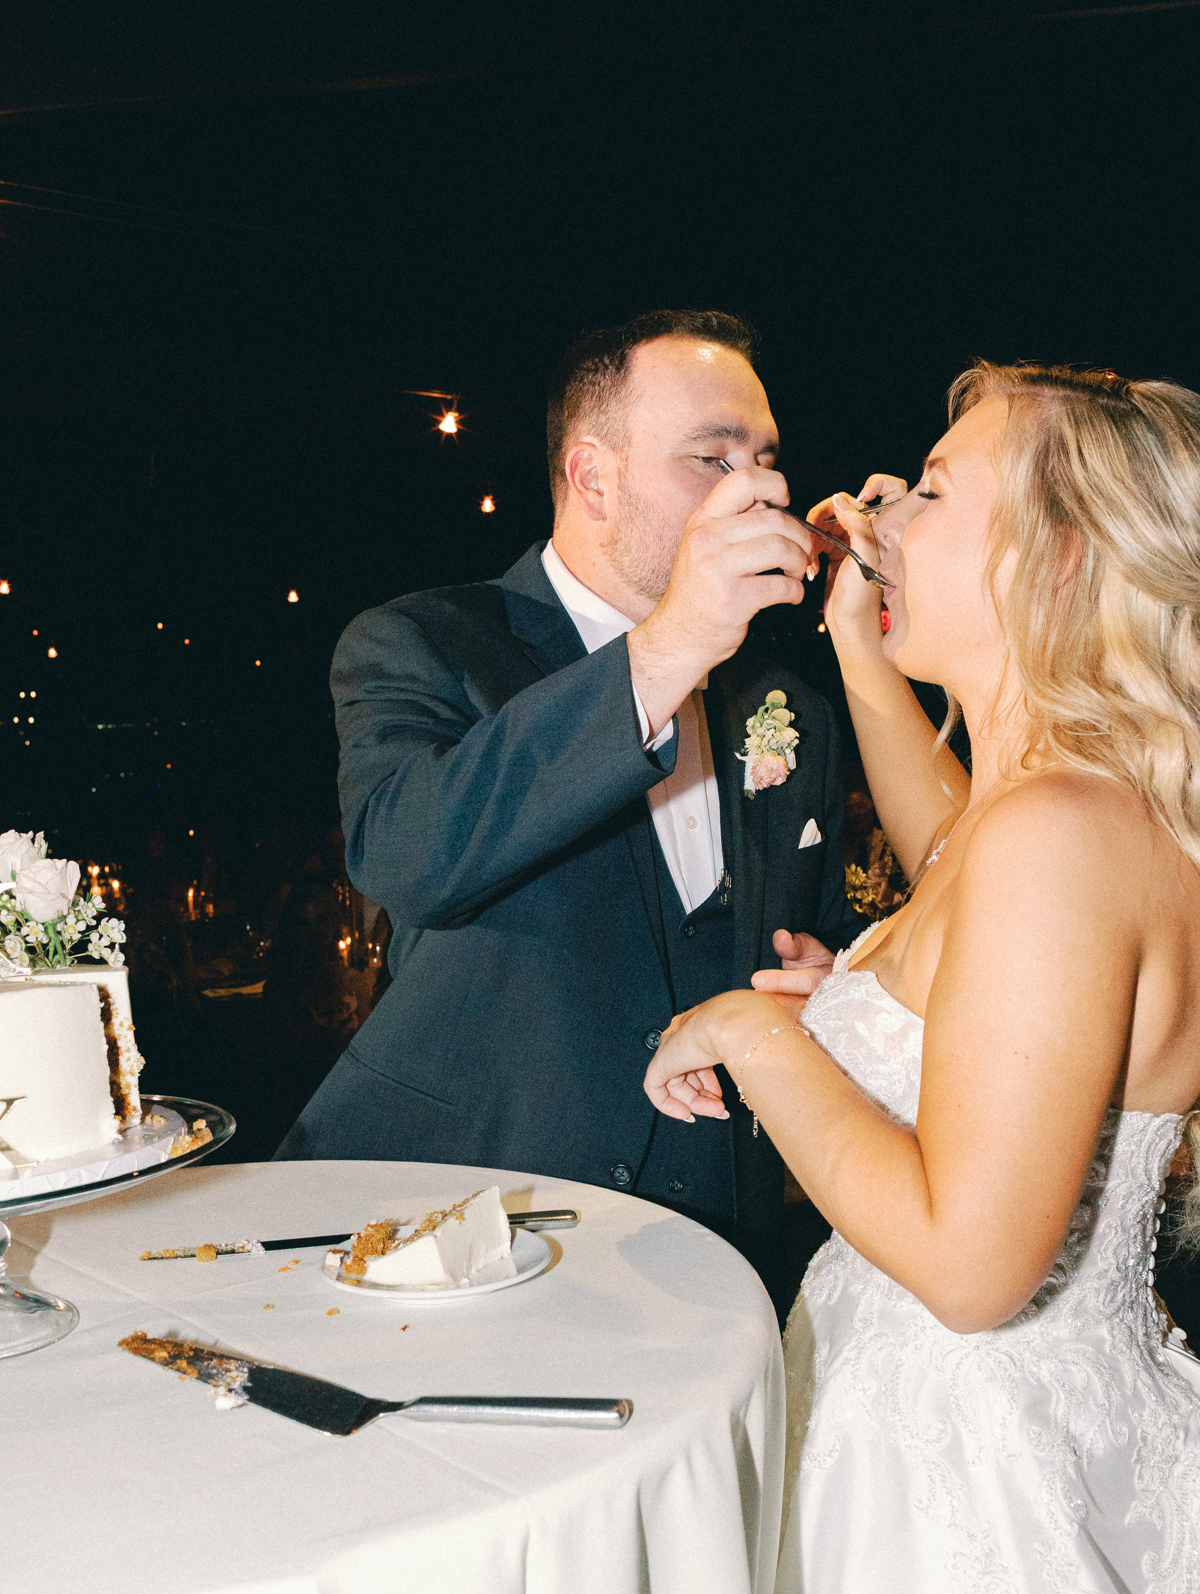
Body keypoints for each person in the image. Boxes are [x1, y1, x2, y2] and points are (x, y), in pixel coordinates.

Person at [645, 362, 1200, 1594]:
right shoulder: (1057, 805)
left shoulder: (1060, 832)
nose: (885, 511)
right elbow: (955, 858)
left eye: (936, 488)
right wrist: (862, 648)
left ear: (1061, 553)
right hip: (1019, 1439)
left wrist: (764, 1038)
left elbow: (969, 1264)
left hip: (970, 1489)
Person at [275, 310, 859, 1314]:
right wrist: (670, 644)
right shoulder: (423, 642)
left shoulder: (788, 706)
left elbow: (819, 941)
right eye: (712, 458)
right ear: (593, 478)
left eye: (764, 459)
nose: (758, 491)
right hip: (462, 1235)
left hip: (724, 1259)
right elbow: (410, 854)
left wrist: (837, 985)